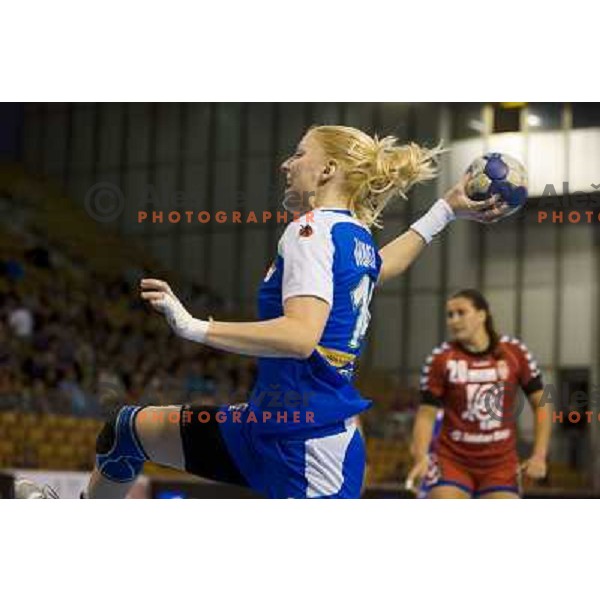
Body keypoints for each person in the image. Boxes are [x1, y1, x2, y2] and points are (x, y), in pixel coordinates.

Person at [18, 125, 507, 500]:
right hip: (261, 428)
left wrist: (194, 326)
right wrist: (444, 209)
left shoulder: (311, 231)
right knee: (125, 431)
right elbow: (387, 263)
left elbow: (300, 336)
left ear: (328, 170)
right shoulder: (352, 237)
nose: (286, 164)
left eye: (299, 154)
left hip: (308, 449)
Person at [407, 289, 551, 499]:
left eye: (461, 312)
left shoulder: (514, 352)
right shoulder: (441, 358)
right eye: (449, 315)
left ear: (482, 315)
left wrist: (539, 455)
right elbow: (426, 415)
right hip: (452, 461)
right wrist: (421, 457)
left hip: (501, 465)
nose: (453, 320)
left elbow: (543, 401)